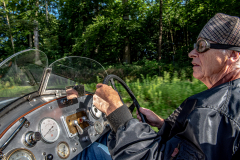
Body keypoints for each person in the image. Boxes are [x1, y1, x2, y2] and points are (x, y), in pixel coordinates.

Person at [91, 13, 240, 160]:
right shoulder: (226, 100)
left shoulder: (215, 112)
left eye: (202, 46)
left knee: (89, 152)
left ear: (233, 55)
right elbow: (188, 148)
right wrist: (163, 125)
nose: (191, 53)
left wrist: (118, 114)